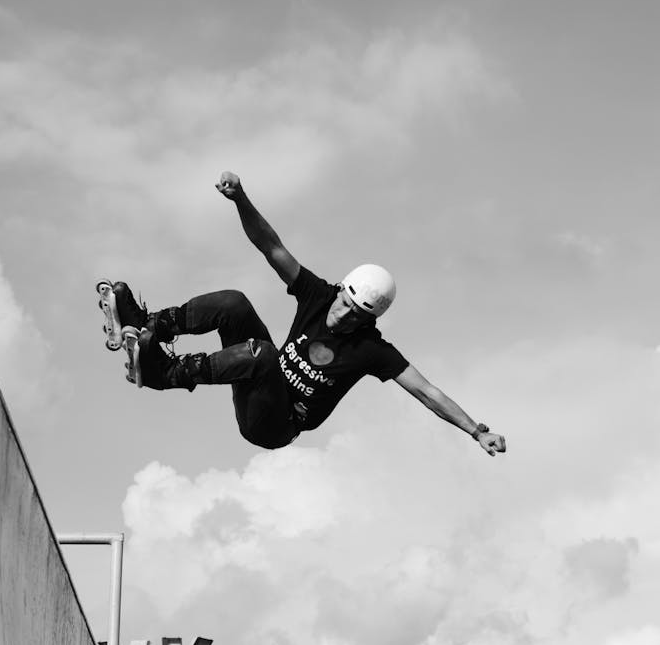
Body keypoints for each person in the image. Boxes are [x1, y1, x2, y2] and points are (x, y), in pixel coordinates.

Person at [97, 172, 506, 456]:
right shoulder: (318, 294)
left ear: (370, 321)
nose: (343, 315)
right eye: (344, 303)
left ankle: (162, 374)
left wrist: (476, 431)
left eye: (355, 316)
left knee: (261, 353)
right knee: (234, 303)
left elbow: (426, 390)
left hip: (275, 425)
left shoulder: (372, 350)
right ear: (341, 290)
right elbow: (270, 246)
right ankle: (147, 327)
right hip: (255, 381)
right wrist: (240, 198)